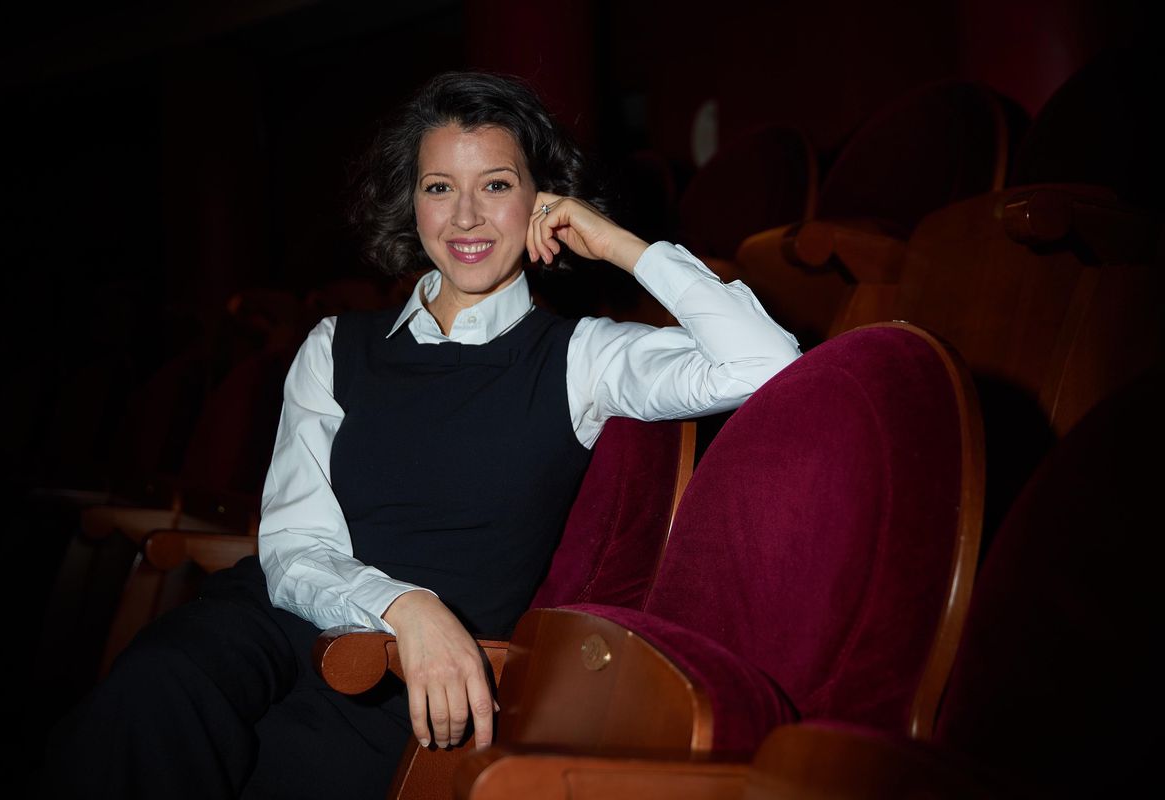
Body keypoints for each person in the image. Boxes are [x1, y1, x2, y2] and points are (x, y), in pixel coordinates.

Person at [43, 71, 801, 799]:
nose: (466, 217)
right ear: (412, 205)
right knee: (147, 694)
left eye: (497, 186)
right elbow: (293, 546)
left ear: (543, 200)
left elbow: (769, 364)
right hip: (277, 625)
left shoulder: (582, 358)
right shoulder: (334, 345)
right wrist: (405, 605)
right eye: (440, 188)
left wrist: (617, 244)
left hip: (405, 693)